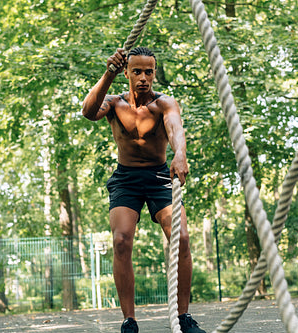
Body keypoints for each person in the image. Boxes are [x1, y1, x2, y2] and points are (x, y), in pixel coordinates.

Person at [82, 47, 206, 333]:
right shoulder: (113, 103)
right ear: (126, 72)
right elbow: (88, 112)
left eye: (148, 72)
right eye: (136, 71)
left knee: (182, 238)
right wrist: (108, 72)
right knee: (121, 241)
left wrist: (180, 153)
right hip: (126, 179)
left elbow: (175, 128)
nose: (143, 78)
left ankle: (184, 317)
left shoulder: (164, 104)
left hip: (160, 177)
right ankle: (129, 321)